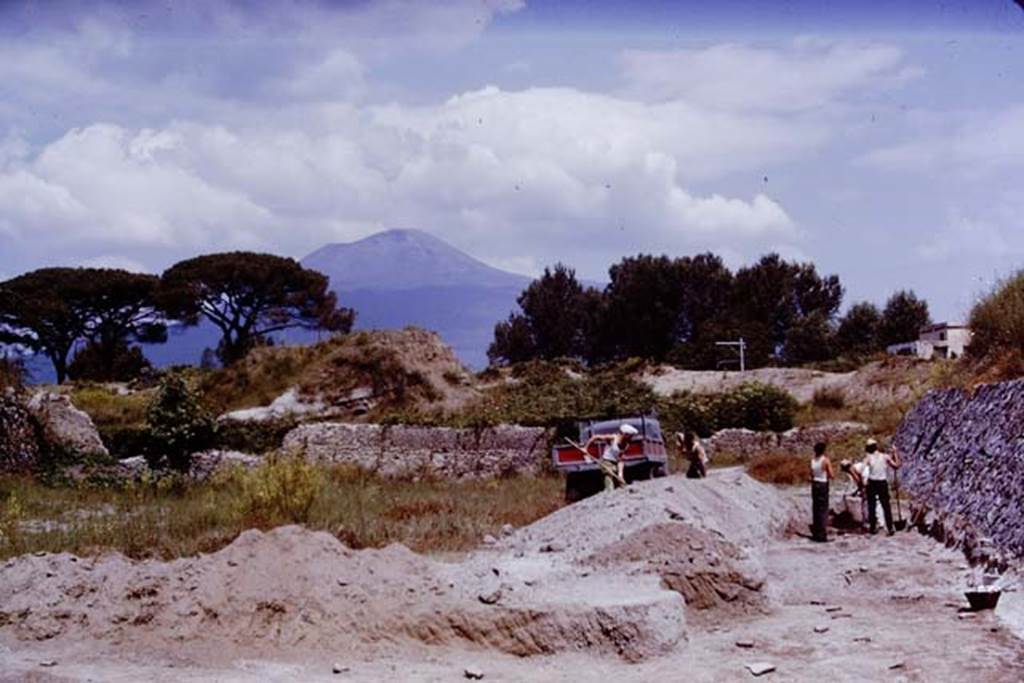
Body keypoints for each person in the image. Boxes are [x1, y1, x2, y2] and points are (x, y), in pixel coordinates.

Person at [862, 437, 902, 535]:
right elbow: (897, 465)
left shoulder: (868, 458)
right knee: (886, 506)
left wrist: (863, 480)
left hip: (872, 483)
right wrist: (895, 453)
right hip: (882, 482)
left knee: (872, 506)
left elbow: (863, 469)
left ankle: (872, 528)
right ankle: (890, 527)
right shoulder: (885, 457)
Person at [584, 423, 637, 492]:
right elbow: (595, 437)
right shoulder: (612, 438)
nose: (631, 438)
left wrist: (620, 474)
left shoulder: (626, 445)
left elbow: (621, 460)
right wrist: (586, 448)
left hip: (615, 463)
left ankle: (624, 491)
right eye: (630, 436)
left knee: (620, 480)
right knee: (609, 474)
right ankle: (609, 491)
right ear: (625, 434)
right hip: (606, 461)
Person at [810, 441, 834, 542]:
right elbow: (832, 475)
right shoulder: (825, 460)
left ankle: (816, 532)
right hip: (823, 483)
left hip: (815, 484)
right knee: (823, 509)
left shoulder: (812, 461)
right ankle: (822, 535)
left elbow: (810, 474)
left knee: (816, 508)